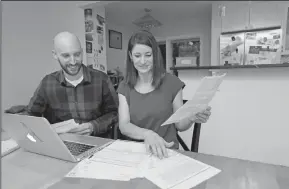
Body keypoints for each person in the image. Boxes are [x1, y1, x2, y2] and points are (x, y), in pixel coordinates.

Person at [117, 30, 211, 159]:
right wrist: (147, 134)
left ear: (155, 55)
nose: (143, 61)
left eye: (148, 55)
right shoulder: (124, 86)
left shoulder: (172, 83)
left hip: (167, 152)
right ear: (130, 56)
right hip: (136, 153)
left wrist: (191, 118)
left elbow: (180, 125)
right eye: (137, 55)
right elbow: (124, 125)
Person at [27, 31, 118, 137]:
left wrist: (94, 126)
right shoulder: (47, 83)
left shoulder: (102, 79)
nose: (73, 61)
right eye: (66, 56)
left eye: (77, 54)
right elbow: (31, 115)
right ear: (55, 55)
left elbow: (115, 113)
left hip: (97, 142)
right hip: (62, 145)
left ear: (82, 52)